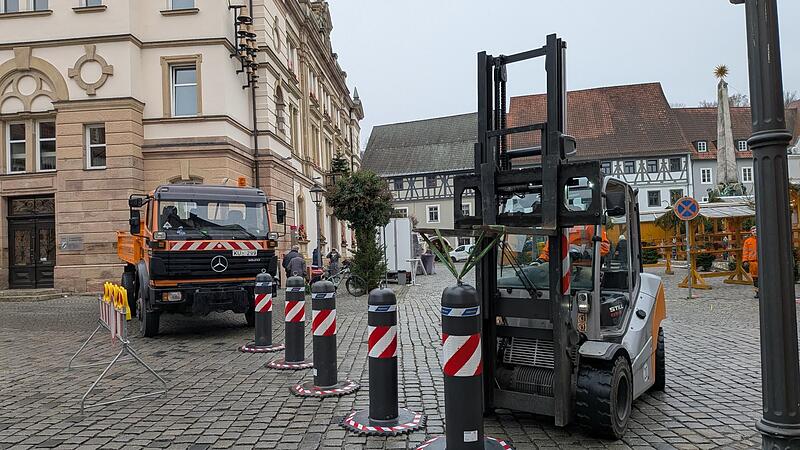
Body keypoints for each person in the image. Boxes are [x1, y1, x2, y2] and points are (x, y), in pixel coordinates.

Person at [535, 225, 611, 263]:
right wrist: (541, 260)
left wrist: (585, 254)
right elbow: (549, 250)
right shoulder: (559, 229)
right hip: (559, 270)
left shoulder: (589, 227)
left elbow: (604, 247)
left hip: (584, 268)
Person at [743, 226, 758, 298]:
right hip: (752, 262)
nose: (755, 232)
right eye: (753, 231)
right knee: (755, 279)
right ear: (751, 232)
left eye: (756, 231)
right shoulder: (747, 241)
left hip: (762, 262)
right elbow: (745, 252)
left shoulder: (763, 239)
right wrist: (745, 261)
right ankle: (757, 292)